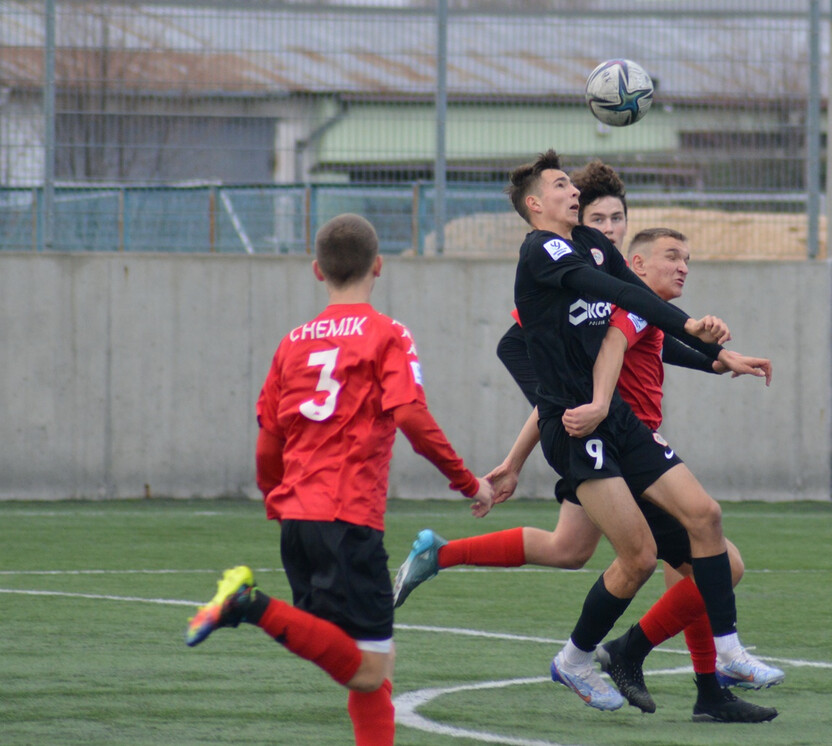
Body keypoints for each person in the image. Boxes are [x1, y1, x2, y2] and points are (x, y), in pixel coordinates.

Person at [393, 164, 782, 723]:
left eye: (598, 204)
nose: (575, 194)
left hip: (616, 421)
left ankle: (724, 654)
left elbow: (630, 302)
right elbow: (604, 299)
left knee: (701, 520)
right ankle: (587, 660)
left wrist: (713, 353)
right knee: (641, 557)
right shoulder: (542, 254)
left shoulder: (594, 246)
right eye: (562, 188)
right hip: (577, 428)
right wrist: (550, 409)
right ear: (533, 205)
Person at [183, 213, 494, 746]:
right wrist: (469, 483)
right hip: (348, 517)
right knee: (371, 668)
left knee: (369, 663)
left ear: (316, 271)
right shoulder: (388, 333)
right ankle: (247, 605)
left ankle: (253, 606)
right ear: (378, 266)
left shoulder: (293, 342)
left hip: (299, 517)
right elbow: (412, 418)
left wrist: (277, 497)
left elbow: (268, 442)